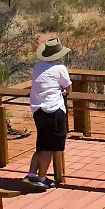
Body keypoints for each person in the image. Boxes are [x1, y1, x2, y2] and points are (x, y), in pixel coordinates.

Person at [26, 37, 72, 190]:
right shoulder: (60, 68)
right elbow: (68, 87)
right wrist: (64, 92)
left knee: (41, 144)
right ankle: (41, 178)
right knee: (50, 147)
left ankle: (31, 175)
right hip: (53, 110)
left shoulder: (37, 67)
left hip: (38, 110)